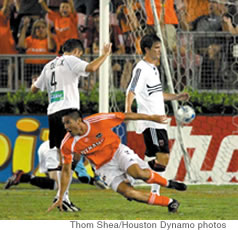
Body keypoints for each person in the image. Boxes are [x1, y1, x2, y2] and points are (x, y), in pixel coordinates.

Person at [47, 109, 187, 213]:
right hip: (103, 167)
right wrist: (61, 196)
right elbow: (66, 171)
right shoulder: (67, 143)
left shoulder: (99, 120)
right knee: (129, 193)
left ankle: (169, 183)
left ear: (79, 121)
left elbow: (126, 115)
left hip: (117, 151)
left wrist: (151, 117)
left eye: (68, 122)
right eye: (64, 124)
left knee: (138, 173)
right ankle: (170, 202)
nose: (66, 127)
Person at [31, 38, 111, 211]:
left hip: (53, 113)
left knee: (66, 155)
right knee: (77, 150)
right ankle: (67, 194)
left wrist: (35, 82)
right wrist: (105, 55)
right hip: (69, 112)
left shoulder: (49, 65)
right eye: (80, 55)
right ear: (76, 51)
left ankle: (63, 195)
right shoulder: (70, 60)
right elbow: (91, 68)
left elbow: (34, 89)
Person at [125, 34, 189, 196]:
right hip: (150, 121)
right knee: (163, 157)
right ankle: (152, 190)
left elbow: (156, 94)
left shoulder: (153, 69)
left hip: (160, 121)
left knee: (154, 158)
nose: (160, 51)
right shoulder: (141, 68)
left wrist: (176, 96)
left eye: (160, 47)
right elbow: (131, 90)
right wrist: (128, 111)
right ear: (147, 49)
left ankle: (132, 175)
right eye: (156, 48)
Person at [4, 140, 106, 211]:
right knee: (58, 185)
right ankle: (22, 177)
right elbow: (81, 174)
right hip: (53, 150)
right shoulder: (83, 145)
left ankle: (22, 177)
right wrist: (94, 180)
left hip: (45, 146)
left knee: (53, 183)